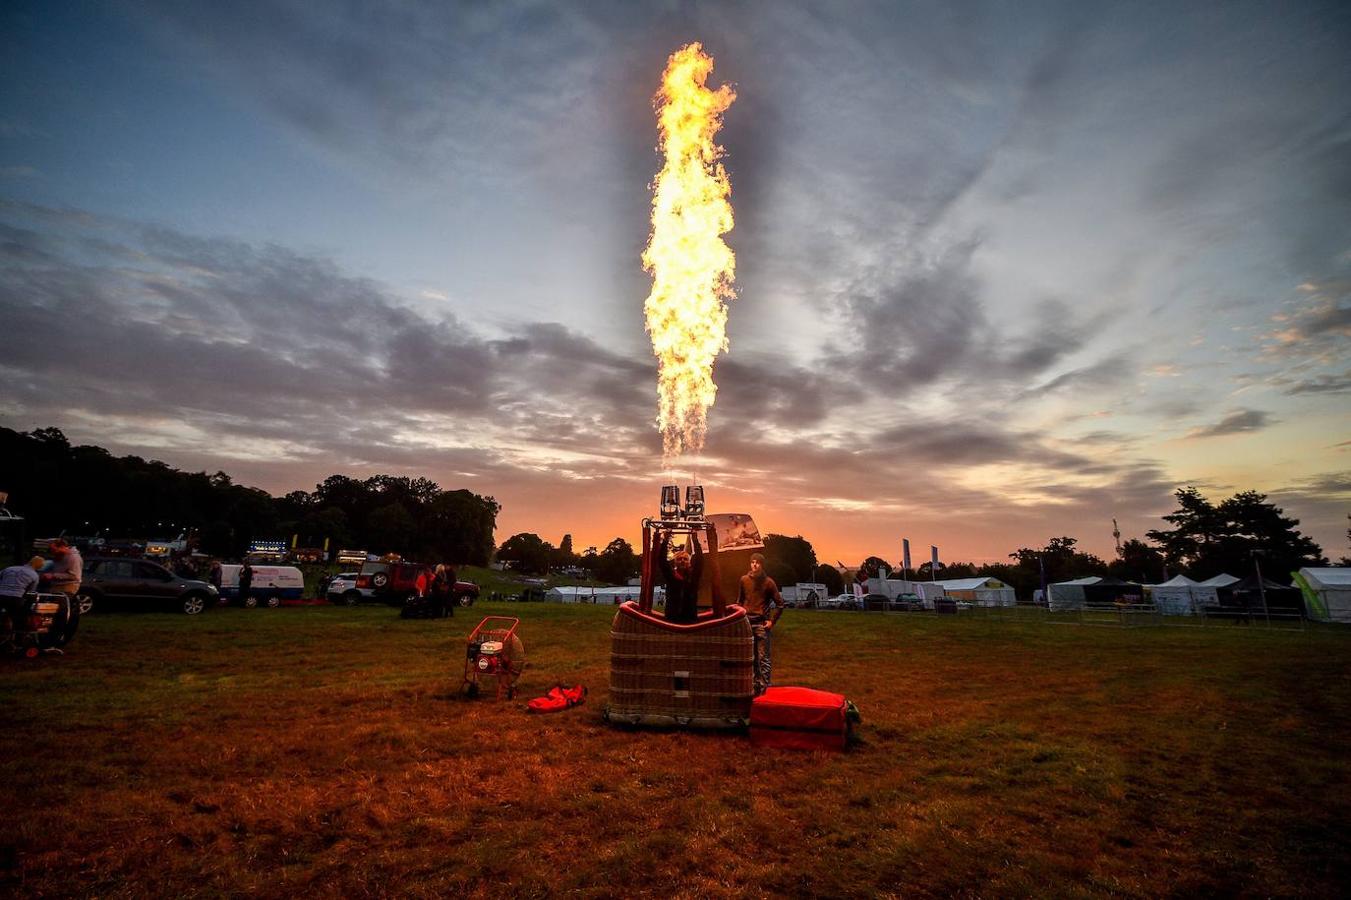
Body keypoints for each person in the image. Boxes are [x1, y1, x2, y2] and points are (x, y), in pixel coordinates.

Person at [737, 552, 784, 695]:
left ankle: (765, 689)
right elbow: (739, 600)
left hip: (761, 625)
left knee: (763, 657)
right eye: (752, 562)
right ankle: (753, 686)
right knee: (750, 657)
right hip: (746, 624)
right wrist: (737, 616)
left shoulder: (768, 582)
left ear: (762, 565)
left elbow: (780, 604)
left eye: (757, 562)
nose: (754, 565)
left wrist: (772, 621)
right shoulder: (744, 580)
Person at [655, 529, 703, 624]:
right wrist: (665, 540)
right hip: (672, 617)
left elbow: (700, 561)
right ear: (675, 562)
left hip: (690, 617)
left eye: (685, 559)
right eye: (679, 559)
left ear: (689, 563)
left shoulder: (693, 577)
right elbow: (662, 561)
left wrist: (695, 540)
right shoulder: (671, 576)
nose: (682, 561)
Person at [40, 539, 82, 646]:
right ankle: (47, 638)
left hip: (67, 590)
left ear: (62, 546)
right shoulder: (59, 556)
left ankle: (58, 639)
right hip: (56, 588)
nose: (52, 552)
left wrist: (53, 575)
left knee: (60, 615)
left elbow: (74, 576)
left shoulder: (73, 558)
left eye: (53, 549)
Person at [0, 556, 45, 637]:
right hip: (15, 599)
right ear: (39, 566)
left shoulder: (9, 568)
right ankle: (16, 639)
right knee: (18, 619)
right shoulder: (34, 575)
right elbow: (30, 592)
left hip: (1, 595)